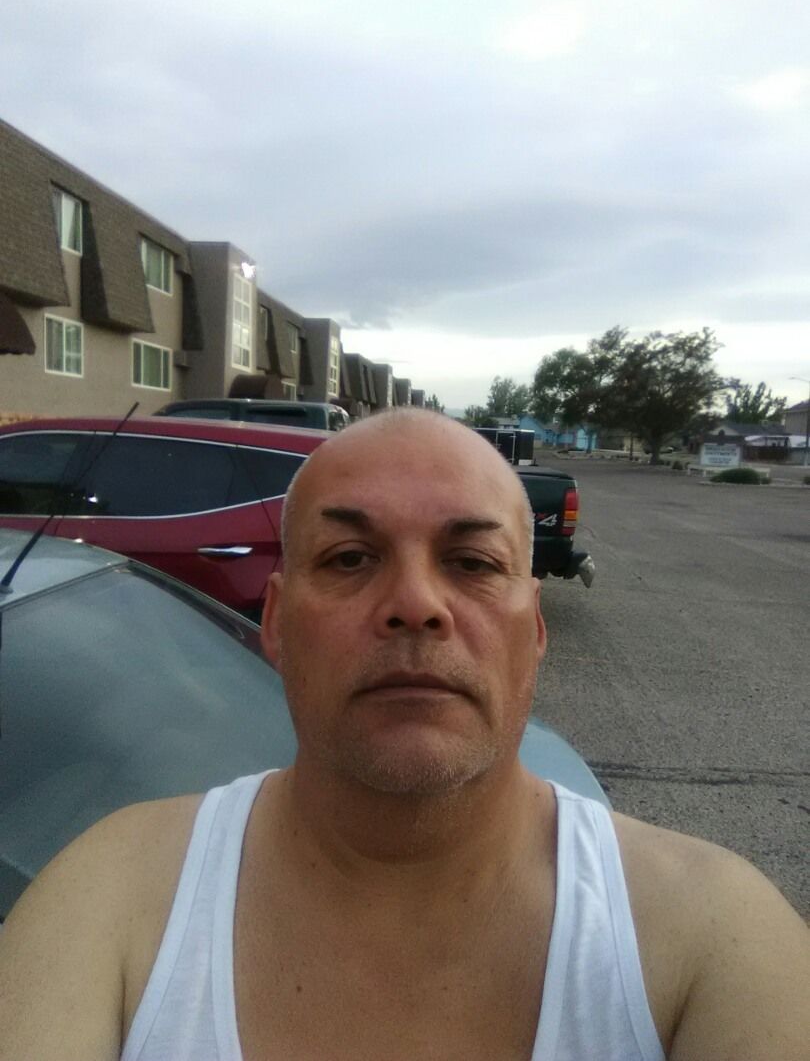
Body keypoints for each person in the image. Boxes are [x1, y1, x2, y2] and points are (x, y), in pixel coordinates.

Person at [0, 408, 806, 1061]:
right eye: (351, 558)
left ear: (535, 631)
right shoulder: (113, 898)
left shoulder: (710, 934)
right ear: (275, 623)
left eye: (473, 562)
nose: (415, 604)